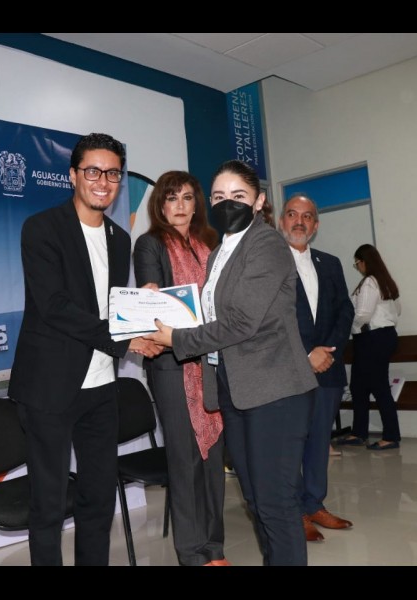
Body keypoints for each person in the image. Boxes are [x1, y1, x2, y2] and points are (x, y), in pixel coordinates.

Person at [146, 159, 317, 566]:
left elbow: (241, 322)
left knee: (276, 504)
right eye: (220, 196)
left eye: (238, 196)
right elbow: (211, 315)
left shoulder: (266, 244)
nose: (228, 203)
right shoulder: (220, 251)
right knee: (256, 500)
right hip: (236, 391)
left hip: (275, 391)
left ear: (258, 201)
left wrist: (176, 339)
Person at [8, 132, 163, 566]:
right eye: (93, 171)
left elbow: (109, 307)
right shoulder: (42, 228)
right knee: (49, 502)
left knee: (98, 497)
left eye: (112, 173)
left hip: (101, 387)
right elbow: (54, 306)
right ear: (73, 175)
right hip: (49, 387)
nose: (103, 181)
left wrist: (142, 310)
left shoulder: (119, 237)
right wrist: (125, 338)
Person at [133, 170, 228, 566]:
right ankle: (191, 553)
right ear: (160, 204)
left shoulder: (211, 243)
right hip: (172, 366)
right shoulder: (150, 243)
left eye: (187, 198)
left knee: (214, 459)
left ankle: (214, 547)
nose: (180, 206)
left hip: (213, 361)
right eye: (171, 198)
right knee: (185, 461)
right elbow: (155, 303)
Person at [279, 194, 354, 543]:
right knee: (290, 443)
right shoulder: (270, 263)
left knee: (320, 440)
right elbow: (272, 318)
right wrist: (306, 353)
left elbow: (345, 311)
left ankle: (314, 504)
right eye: (292, 214)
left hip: (328, 368)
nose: (299, 221)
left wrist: (327, 352)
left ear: (316, 225)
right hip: (287, 368)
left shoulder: (331, 263)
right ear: (282, 221)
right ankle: (294, 512)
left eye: (307, 216)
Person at [337, 243, 402, 450]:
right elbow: (397, 310)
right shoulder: (385, 281)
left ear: (364, 261)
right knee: (358, 386)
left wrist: (347, 326)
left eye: (357, 263)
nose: (357, 267)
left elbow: (363, 315)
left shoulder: (369, 282)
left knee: (378, 386)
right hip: (381, 337)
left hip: (372, 338)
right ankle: (358, 432)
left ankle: (391, 436)